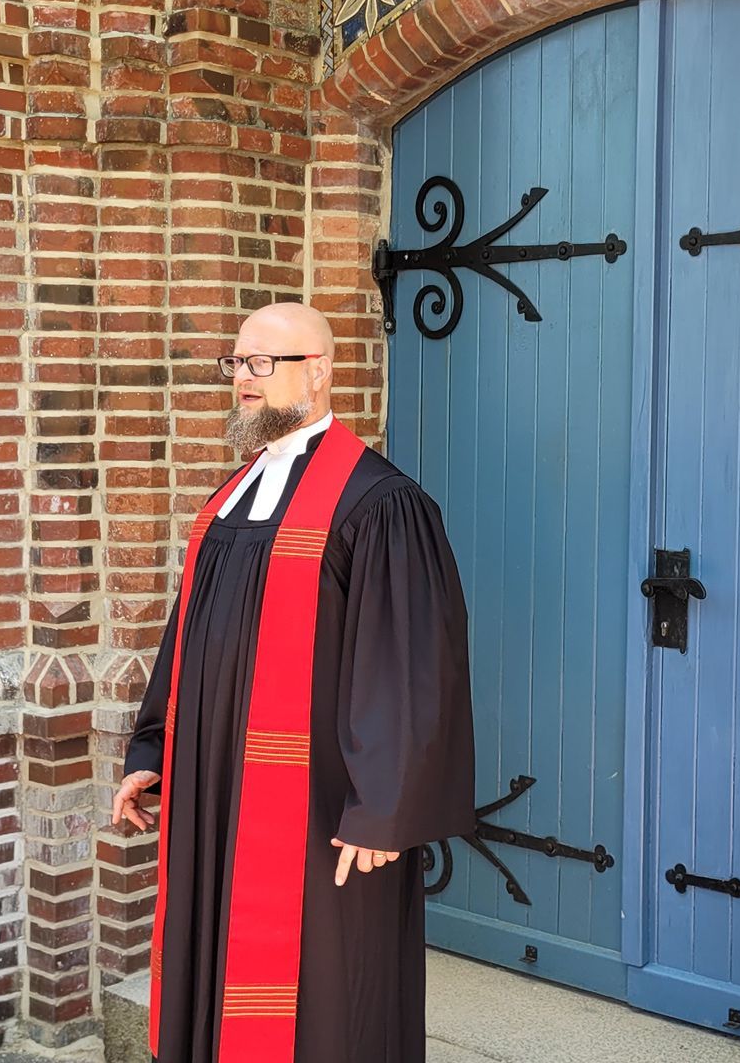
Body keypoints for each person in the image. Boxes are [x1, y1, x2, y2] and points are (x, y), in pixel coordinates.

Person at [110, 303, 477, 1063]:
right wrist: (151, 749)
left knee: (329, 1001)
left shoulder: (378, 502)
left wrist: (384, 808)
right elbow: (188, 636)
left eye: (262, 363)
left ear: (319, 370)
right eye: (237, 363)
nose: (244, 380)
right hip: (215, 794)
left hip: (321, 812)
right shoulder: (231, 497)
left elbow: (409, 664)